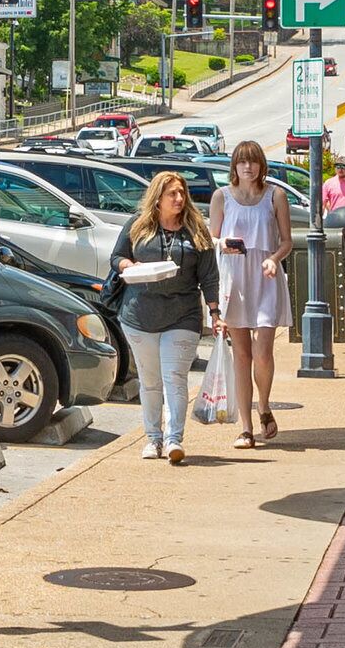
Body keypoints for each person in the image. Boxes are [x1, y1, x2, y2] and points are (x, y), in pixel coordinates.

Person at [106, 171, 220, 464]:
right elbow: (116, 257)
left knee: (175, 377)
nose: (180, 199)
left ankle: (173, 440)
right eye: (173, 194)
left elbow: (209, 275)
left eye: (182, 193)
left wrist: (216, 312)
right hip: (139, 314)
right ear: (158, 198)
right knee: (150, 381)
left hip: (183, 314)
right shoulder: (138, 225)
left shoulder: (196, 229)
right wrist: (128, 264)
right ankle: (153, 438)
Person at [208, 140, 292, 445]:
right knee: (241, 354)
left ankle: (264, 405)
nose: (248, 167)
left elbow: (287, 241)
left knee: (263, 351)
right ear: (234, 166)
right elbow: (211, 238)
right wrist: (223, 243)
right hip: (235, 278)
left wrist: (273, 258)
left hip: (265, 276)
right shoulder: (222, 197)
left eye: (253, 161)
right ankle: (246, 427)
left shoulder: (275, 196)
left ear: (261, 165)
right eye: (242, 162)